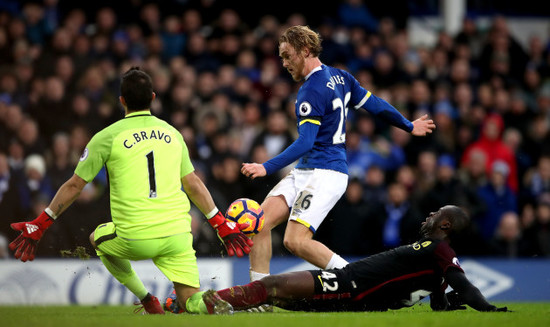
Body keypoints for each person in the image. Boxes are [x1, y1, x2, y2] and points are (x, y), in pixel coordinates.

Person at [8, 67, 253, 315]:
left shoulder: (107, 137)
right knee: (190, 299)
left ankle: (147, 299)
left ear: (121, 101)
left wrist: (41, 222)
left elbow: (74, 186)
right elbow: (193, 184)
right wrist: (220, 223)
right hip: (177, 233)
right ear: (153, 98)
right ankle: (216, 303)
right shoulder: (173, 134)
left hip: (135, 238)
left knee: (96, 238)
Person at [241, 25, 435, 282]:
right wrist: (408, 125)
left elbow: (306, 142)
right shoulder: (342, 78)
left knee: (295, 241)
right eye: (281, 57)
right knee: (259, 223)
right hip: (308, 170)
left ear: (305, 51)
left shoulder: (310, 91)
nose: (284, 63)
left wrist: (266, 167)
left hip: (325, 172)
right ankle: (259, 295)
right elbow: (375, 105)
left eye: (287, 55)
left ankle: (365, 282)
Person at [200, 205, 509, 313]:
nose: (429, 216)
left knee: (271, 286)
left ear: (445, 226)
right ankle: (215, 307)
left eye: (436, 214)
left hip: (350, 283)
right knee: (277, 297)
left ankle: (199, 304)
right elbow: (441, 301)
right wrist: (454, 302)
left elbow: (463, 284)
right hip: (357, 296)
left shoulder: (437, 250)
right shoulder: (435, 265)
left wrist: (488, 308)